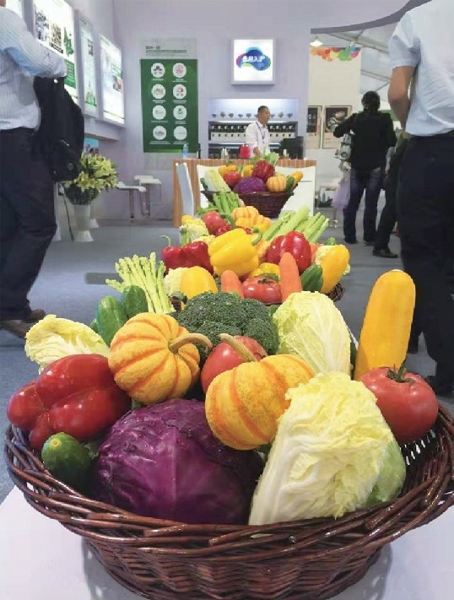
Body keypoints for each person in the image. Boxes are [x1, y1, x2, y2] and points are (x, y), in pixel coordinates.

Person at [388, 0, 454, 396]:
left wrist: (409, 125)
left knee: (426, 263)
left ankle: (449, 368)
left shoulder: (419, 18)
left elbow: (398, 92)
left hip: (433, 153)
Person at [0, 1, 67, 339]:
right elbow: (40, 62)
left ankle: (10, 304)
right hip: (12, 137)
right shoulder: (3, 19)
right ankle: (9, 307)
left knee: (9, 223)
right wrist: (62, 63)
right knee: (40, 223)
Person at [333, 92, 396, 245]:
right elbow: (392, 141)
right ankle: (369, 236)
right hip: (376, 166)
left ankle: (350, 236)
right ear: (378, 104)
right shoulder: (385, 119)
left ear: (363, 103)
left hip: (357, 165)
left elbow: (337, 132)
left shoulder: (356, 118)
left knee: (353, 202)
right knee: (371, 204)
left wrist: (353, 133)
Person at [372, 131, 409, 258]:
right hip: (397, 181)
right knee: (390, 212)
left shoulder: (405, 142)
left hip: (395, 180)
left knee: (390, 212)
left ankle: (380, 245)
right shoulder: (410, 144)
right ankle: (380, 246)